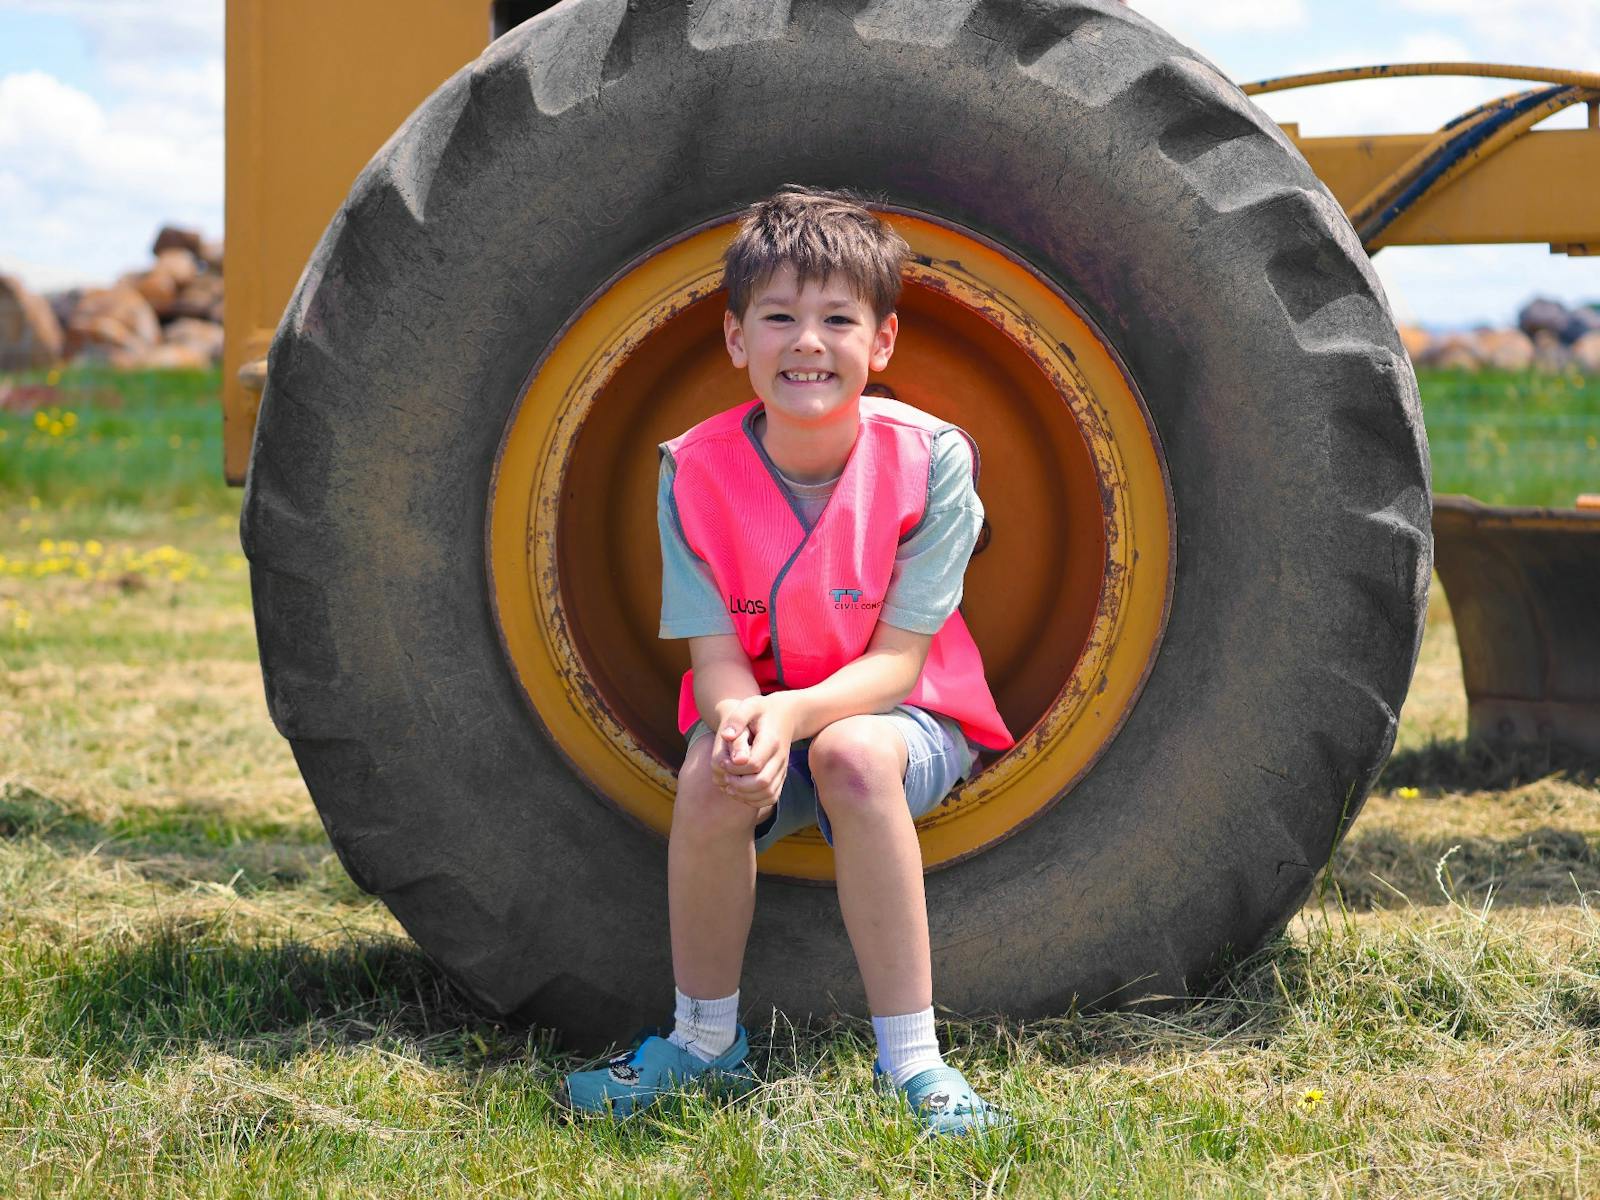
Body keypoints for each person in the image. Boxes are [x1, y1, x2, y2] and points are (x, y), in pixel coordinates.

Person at [565, 186, 1015, 1136]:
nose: (808, 342)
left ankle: (916, 1063)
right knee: (710, 773)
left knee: (853, 753)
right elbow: (716, 657)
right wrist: (741, 724)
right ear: (736, 339)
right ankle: (704, 1042)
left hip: (902, 716)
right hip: (769, 713)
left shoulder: (931, 459)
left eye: (838, 319)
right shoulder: (692, 470)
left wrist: (795, 717)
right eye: (778, 317)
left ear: (882, 343)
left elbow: (899, 664)